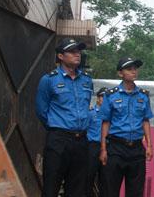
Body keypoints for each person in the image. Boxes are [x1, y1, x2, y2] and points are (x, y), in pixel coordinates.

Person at [35, 38, 93, 197]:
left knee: (77, 188)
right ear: (61, 56)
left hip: (81, 140)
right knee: (51, 186)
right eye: (72, 51)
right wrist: (57, 128)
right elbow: (41, 110)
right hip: (58, 140)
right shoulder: (49, 80)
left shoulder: (87, 81)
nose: (77, 54)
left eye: (78, 51)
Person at [99, 58, 154, 197]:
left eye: (135, 68)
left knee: (136, 192)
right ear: (120, 73)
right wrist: (103, 149)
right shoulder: (111, 95)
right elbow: (105, 122)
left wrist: (149, 146)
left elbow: (145, 120)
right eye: (129, 69)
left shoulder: (143, 95)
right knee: (110, 190)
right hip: (116, 148)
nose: (134, 71)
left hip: (136, 149)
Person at [86, 87, 107, 197]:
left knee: (105, 178)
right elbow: (84, 129)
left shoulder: (110, 115)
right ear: (98, 98)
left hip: (106, 148)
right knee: (89, 176)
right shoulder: (91, 113)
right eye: (103, 96)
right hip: (93, 147)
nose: (105, 99)